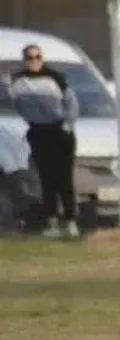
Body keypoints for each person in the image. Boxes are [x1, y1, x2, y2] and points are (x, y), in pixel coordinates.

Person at [9, 45, 80, 239]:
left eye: (38, 57)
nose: (34, 61)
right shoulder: (18, 81)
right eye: (30, 58)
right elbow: (16, 104)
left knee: (64, 178)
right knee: (47, 179)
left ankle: (71, 221)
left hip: (59, 130)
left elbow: (72, 105)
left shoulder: (55, 78)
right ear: (25, 60)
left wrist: (66, 126)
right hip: (38, 131)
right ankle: (52, 222)